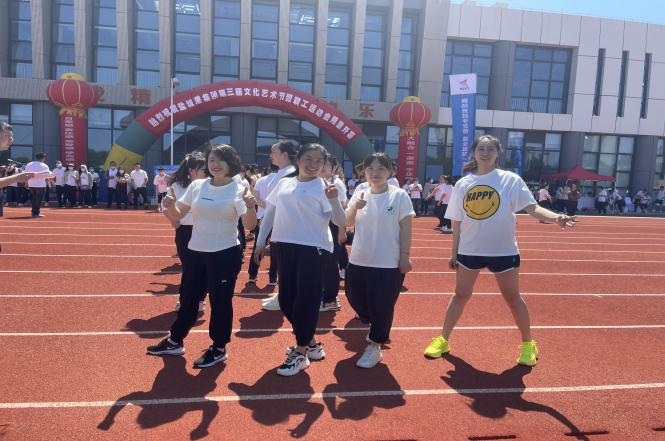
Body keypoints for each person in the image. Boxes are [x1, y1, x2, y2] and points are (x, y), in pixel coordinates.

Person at [423, 135, 576, 367]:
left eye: (490, 149)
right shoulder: (464, 184)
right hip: (469, 250)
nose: (485, 153)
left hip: (503, 251)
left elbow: (532, 208)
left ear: (498, 153)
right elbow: (457, 221)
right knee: (460, 295)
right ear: (474, 153)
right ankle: (443, 340)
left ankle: (528, 344)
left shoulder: (510, 180)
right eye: (481, 149)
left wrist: (557, 218)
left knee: (513, 298)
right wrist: (454, 253)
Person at [148, 144, 257, 368]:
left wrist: (250, 206)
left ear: (231, 163)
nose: (215, 165)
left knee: (220, 302)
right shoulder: (198, 185)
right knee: (188, 298)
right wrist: (169, 205)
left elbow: (249, 225)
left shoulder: (237, 189)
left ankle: (219, 348)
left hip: (224, 253)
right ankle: (175, 340)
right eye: (211, 160)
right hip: (197, 251)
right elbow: (179, 214)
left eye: (220, 160)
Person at [253, 143, 346, 376]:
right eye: (308, 159)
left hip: (314, 248)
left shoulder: (325, 188)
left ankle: (301, 352)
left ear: (324, 164)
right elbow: (270, 213)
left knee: (306, 300)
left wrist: (334, 200)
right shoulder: (284, 183)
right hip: (284, 245)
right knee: (286, 300)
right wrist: (260, 242)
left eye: (319, 161)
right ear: (298, 160)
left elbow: (340, 221)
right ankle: (311, 342)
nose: (314, 164)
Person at [344, 153, 414, 368]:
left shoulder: (399, 195)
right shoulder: (360, 191)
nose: (375, 173)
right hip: (359, 259)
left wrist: (404, 256)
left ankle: (375, 345)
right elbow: (346, 221)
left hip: (388, 263)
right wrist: (355, 207)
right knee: (355, 298)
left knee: (383, 306)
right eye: (370, 169)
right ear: (363, 172)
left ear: (389, 172)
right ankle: (373, 322)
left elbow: (406, 228)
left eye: (381, 168)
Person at [164, 153, 208, 313]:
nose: (207, 172)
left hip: (204, 232)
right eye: (203, 169)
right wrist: (173, 221)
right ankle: (185, 300)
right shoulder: (177, 186)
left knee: (204, 268)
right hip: (185, 232)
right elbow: (165, 206)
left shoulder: (209, 185)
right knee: (189, 268)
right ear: (192, 170)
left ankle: (200, 299)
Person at [259, 140, 298, 311]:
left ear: (284, 154)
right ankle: (283, 294)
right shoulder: (283, 173)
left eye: (274, 152)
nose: (270, 156)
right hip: (281, 226)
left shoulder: (287, 175)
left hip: (285, 228)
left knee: (285, 265)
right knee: (283, 265)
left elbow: (274, 207)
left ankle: (285, 297)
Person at [320, 153, 348, 312]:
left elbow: (342, 207)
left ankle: (331, 299)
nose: (322, 167)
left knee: (330, 264)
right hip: (321, 226)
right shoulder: (318, 181)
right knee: (323, 263)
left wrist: (341, 232)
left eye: (325, 164)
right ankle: (324, 294)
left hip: (333, 225)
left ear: (333, 167)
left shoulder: (336, 183)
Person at [247, 165, 278, 285]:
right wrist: (272, 207)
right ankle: (273, 277)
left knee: (258, 245)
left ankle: (252, 274)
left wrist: (267, 206)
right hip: (278, 217)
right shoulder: (284, 180)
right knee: (275, 247)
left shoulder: (261, 180)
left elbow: (255, 199)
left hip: (261, 216)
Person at [23, 152, 52, 218]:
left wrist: (26, 183)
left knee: (34, 199)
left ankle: (34, 212)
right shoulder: (44, 165)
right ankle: (36, 213)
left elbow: (25, 174)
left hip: (31, 184)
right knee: (38, 199)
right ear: (43, 158)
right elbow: (48, 175)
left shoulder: (29, 164)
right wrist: (52, 181)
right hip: (40, 184)